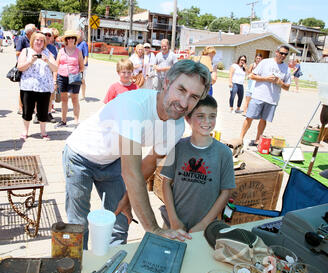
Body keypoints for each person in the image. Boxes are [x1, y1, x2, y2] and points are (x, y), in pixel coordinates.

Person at [62, 59, 212, 249]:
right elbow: (131, 173)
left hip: (113, 160)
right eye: (181, 90)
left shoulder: (177, 125)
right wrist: (154, 229)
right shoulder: (135, 106)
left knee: (120, 220)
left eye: (194, 97)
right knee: (78, 223)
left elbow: (149, 163)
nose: (184, 103)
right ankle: (77, 271)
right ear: (166, 83)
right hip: (79, 156)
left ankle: (112, 268)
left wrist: (126, 199)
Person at [159, 95, 235, 233]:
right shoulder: (177, 147)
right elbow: (165, 183)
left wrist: (204, 224)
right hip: (173, 223)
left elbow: (226, 192)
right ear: (188, 118)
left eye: (212, 116)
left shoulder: (224, 153)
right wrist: (174, 220)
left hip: (205, 227)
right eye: (200, 116)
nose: (207, 121)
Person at [240, 45, 292, 146]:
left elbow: (287, 87)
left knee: (263, 120)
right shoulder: (265, 62)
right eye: (281, 53)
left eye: (285, 54)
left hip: (272, 99)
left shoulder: (286, 69)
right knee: (249, 117)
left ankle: (257, 139)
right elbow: (251, 76)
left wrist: (280, 82)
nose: (283, 55)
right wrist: (266, 79)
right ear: (276, 52)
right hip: (258, 96)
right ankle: (241, 137)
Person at [17, 32, 58, 141]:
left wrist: (48, 61)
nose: (39, 42)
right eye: (37, 40)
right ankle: (25, 131)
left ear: (44, 43)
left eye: (41, 40)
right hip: (28, 86)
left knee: (43, 110)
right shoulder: (26, 51)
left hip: (44, 87)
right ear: (32, 41)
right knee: (27, 110)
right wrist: (30, 61)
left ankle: (43, 132)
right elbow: (20, 67)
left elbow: (55, 68)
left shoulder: (47, 52)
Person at [55, 30, 84, 127]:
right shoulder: (61, 51)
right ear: (65, 40)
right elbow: (56, 66)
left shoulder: (78, 51)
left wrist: (75, 73)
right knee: (64, 99)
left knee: (75, 99)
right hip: (62, 77)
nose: (71, 39)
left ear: (75, 40)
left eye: (73, 38)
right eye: (68, 38)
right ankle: (63, 120)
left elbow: (82, 66)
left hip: (74, 77)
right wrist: (55, 80)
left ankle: (76, 121)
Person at [16, 24, 36, 115]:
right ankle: (20, 108)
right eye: (34, 30)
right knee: (23, 88)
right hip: (24, 66)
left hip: (33, 66)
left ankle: (31, 107)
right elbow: (17, 52)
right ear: (29, 32)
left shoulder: (34, 40)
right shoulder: (22, 39)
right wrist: (27, 54)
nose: (36, 32)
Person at [77, 30, 89, 101]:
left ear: (81, 36)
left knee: (82, 80)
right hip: (76, 65)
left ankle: (83, 95)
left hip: (82, 65)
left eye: (78, 36)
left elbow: (86, 56)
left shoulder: (84, 43)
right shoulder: (76, 44)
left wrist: (83, 65)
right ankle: (75, 93)